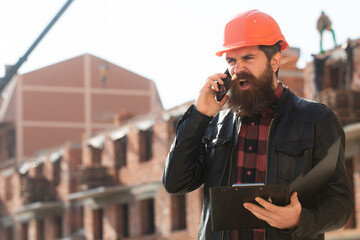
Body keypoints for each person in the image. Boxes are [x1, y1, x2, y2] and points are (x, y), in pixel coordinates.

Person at [162, 9, 352, 240]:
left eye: (248, 58)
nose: (237, 68)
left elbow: (340, 204)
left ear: (274, 61)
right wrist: (199, 115)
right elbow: (175, 183)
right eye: (231, 61)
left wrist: (299, 220)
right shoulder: (213, 125)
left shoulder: (317, 120)